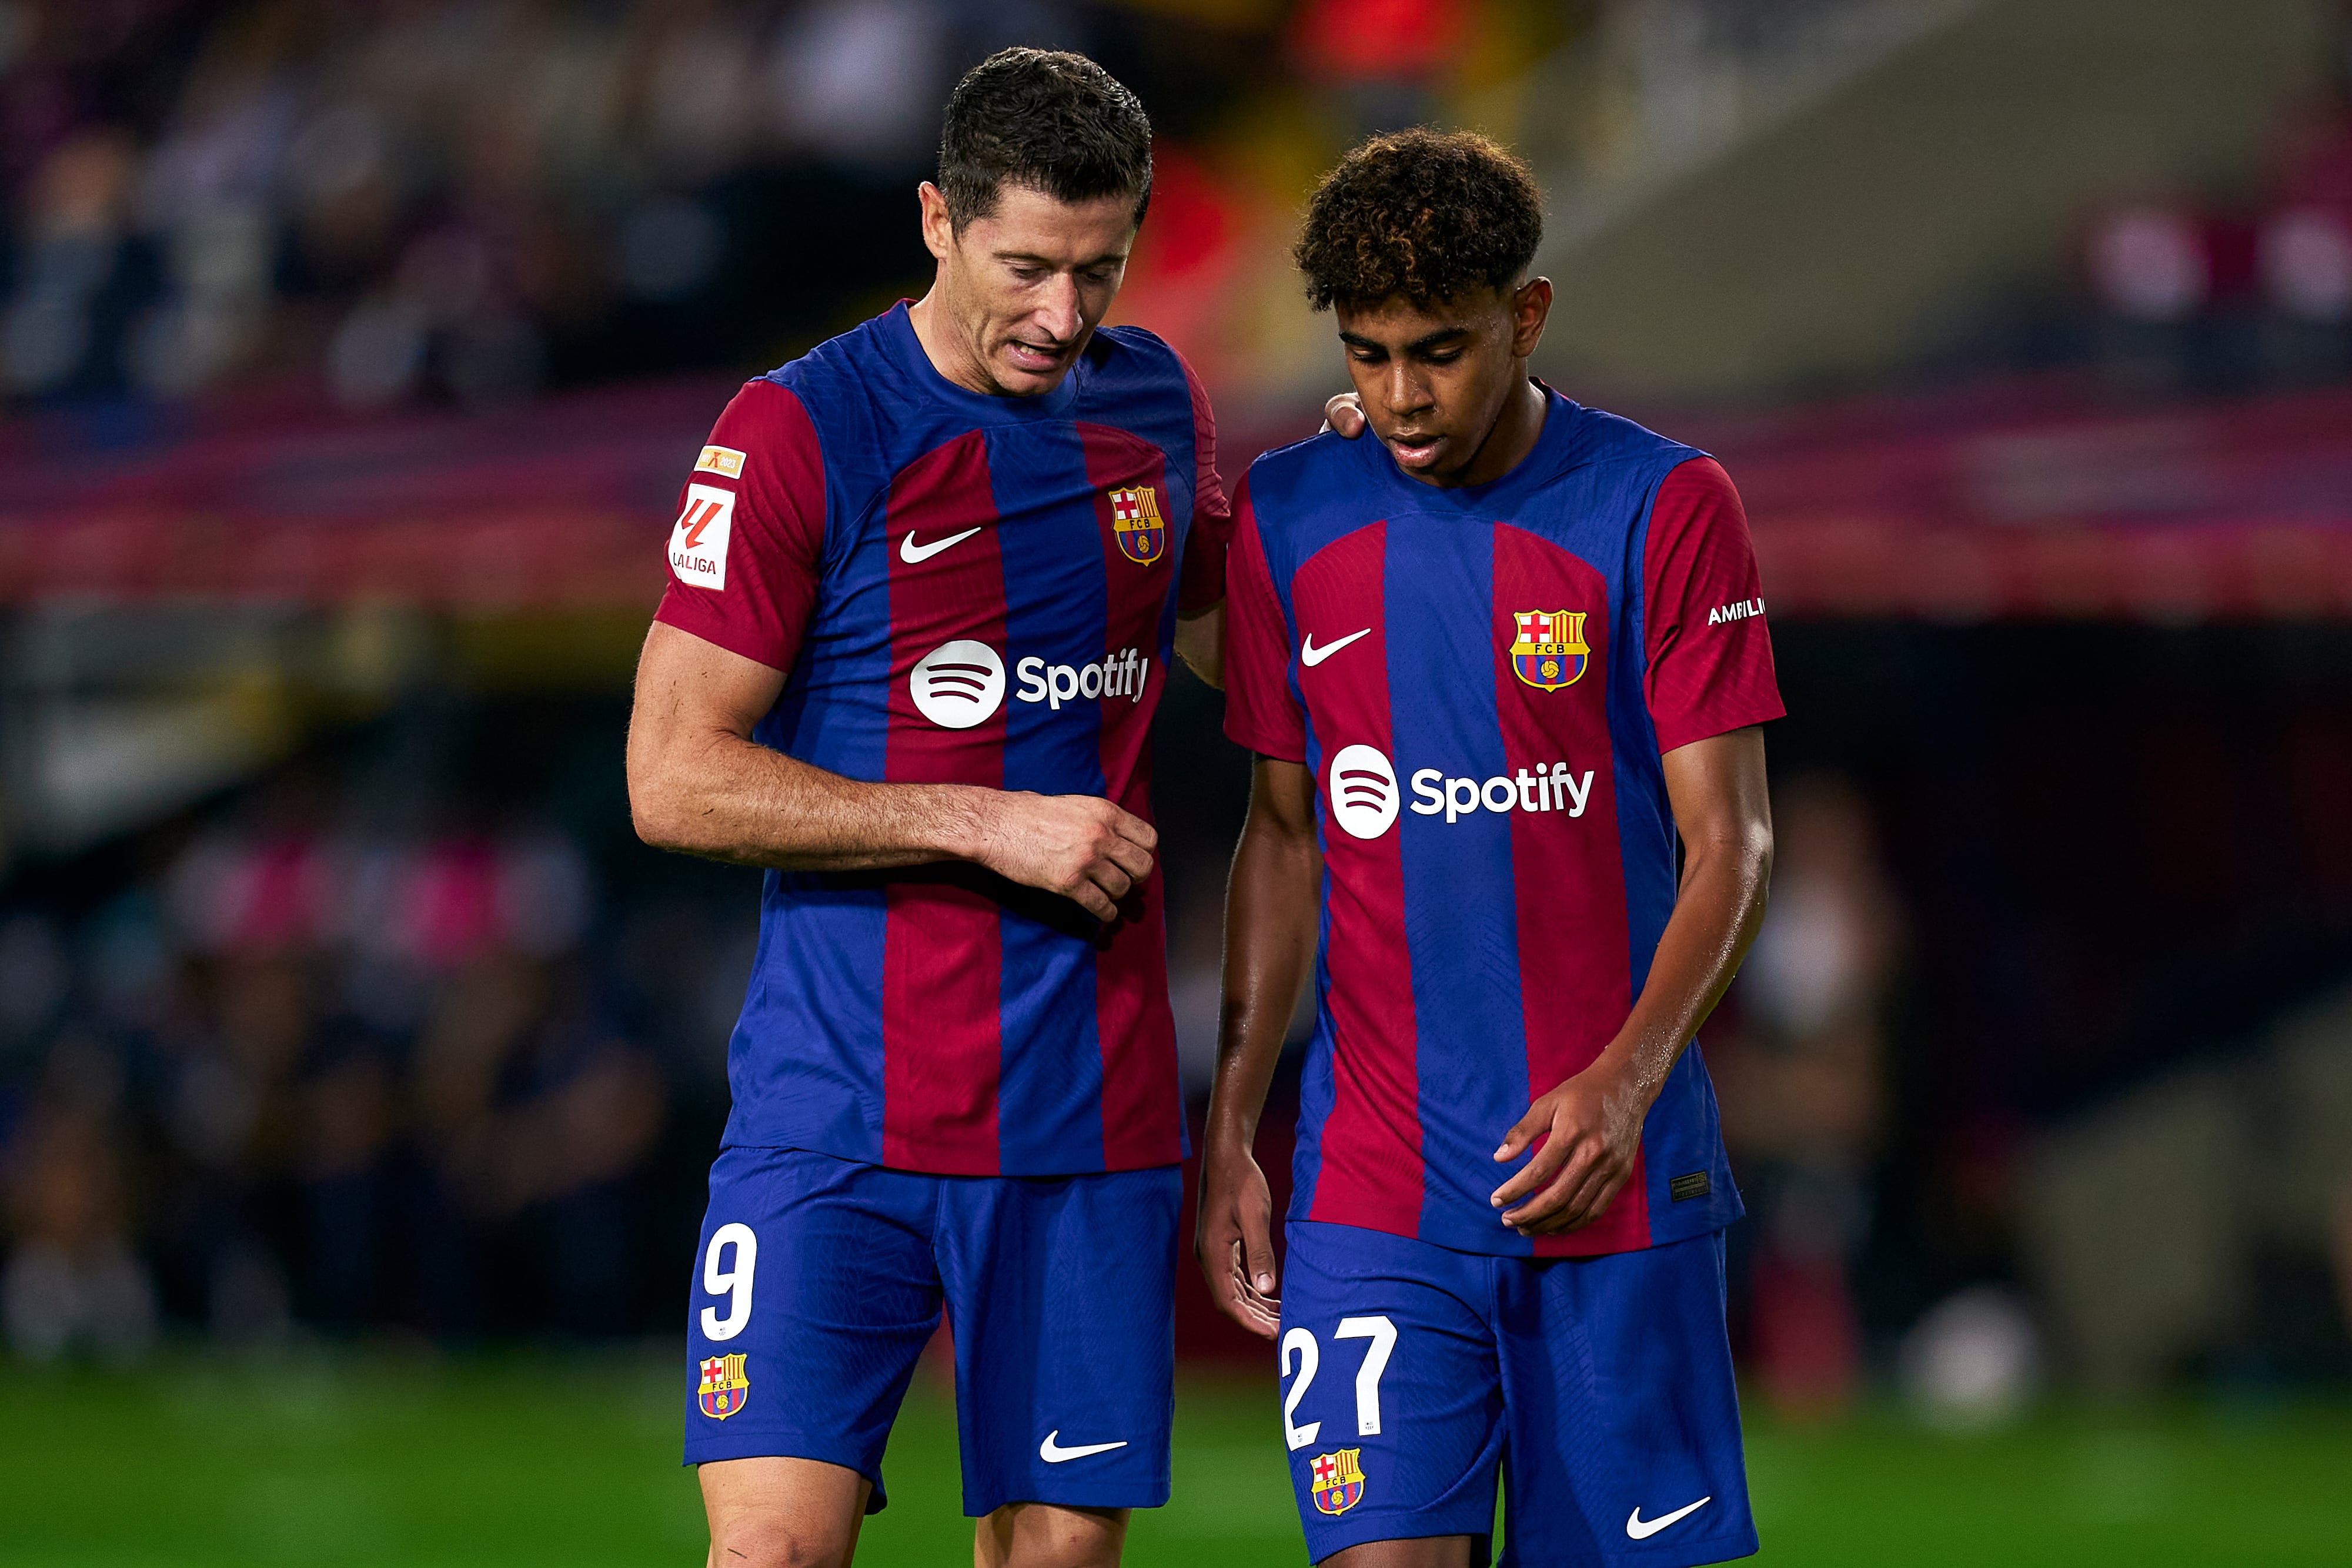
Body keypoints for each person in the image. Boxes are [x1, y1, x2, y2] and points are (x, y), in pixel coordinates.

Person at [625, 49, 1227, 1568]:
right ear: (935, 222)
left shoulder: (1150, 402)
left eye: (1100, 270)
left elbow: (1232, 628)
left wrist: (1367, 501)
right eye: (1027, 267)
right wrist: (982, 818)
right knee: (772, 1548)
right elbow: (673, 774)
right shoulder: (796, 430)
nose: (1063, 316)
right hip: (837, 1114)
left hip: (1087, 1117)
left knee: (1059, 1557)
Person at [1196, 129, 1781, 1567]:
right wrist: (1230, 1121)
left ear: (1525, 316)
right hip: (1375, 1187)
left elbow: (1733, 840)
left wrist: (1626, 1075)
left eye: (1440, 351)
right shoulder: (1289, 513)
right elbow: (1280, 839)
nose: (1400, 395)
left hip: (1616, 1185)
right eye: (1371, 351)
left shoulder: (1661, 504)